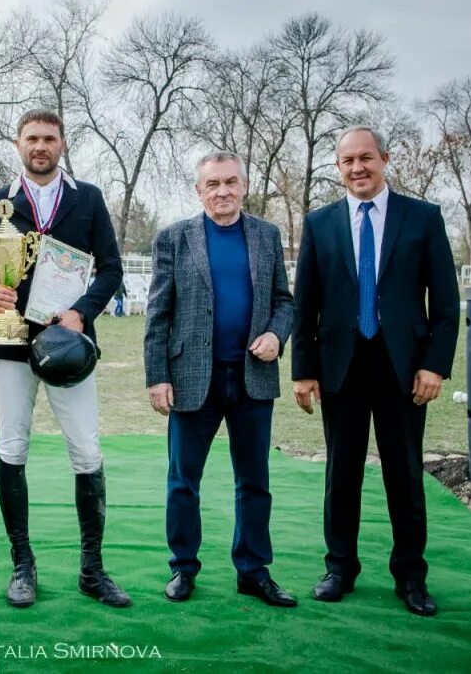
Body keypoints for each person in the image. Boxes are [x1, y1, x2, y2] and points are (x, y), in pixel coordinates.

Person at [292, 125, 460, 617]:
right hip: (340, 368)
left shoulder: (422, 218)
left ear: (385, 159)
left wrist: (434, 365)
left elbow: (446, 304)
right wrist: (304, 371)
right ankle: (339, 568)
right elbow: (306, 306)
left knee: (404, 475)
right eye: (348, 161)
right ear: (338, 167)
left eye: (366, 158)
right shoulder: (320, 223)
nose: (358, 168)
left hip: (404, 370)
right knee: (340, 475)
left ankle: (410, 575)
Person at [0, 109, 129, 609]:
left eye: (49, 138)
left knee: (86, 449)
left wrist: (82, 312)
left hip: (68, 343)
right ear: (17, 143)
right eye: (31, 138)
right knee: (11, 444)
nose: (40, 146)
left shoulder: (88, 200)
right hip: (12, 342)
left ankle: (92, 569)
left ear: (62, 143)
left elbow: (110, 267)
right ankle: (23, 565)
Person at [143, 152, 296, 607]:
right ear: (199, 190)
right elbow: (158, 313)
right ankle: (183, 568)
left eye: (231, 182)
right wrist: (157, 377)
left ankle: (253, 570)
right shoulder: (174, 238)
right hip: (192, 378)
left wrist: (275, 333)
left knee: (254, 482)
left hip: (252, 379)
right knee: (182, 481)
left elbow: (285, 302)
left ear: (243, 186)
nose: (222, 192)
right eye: (213, 184)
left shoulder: (267, 236)